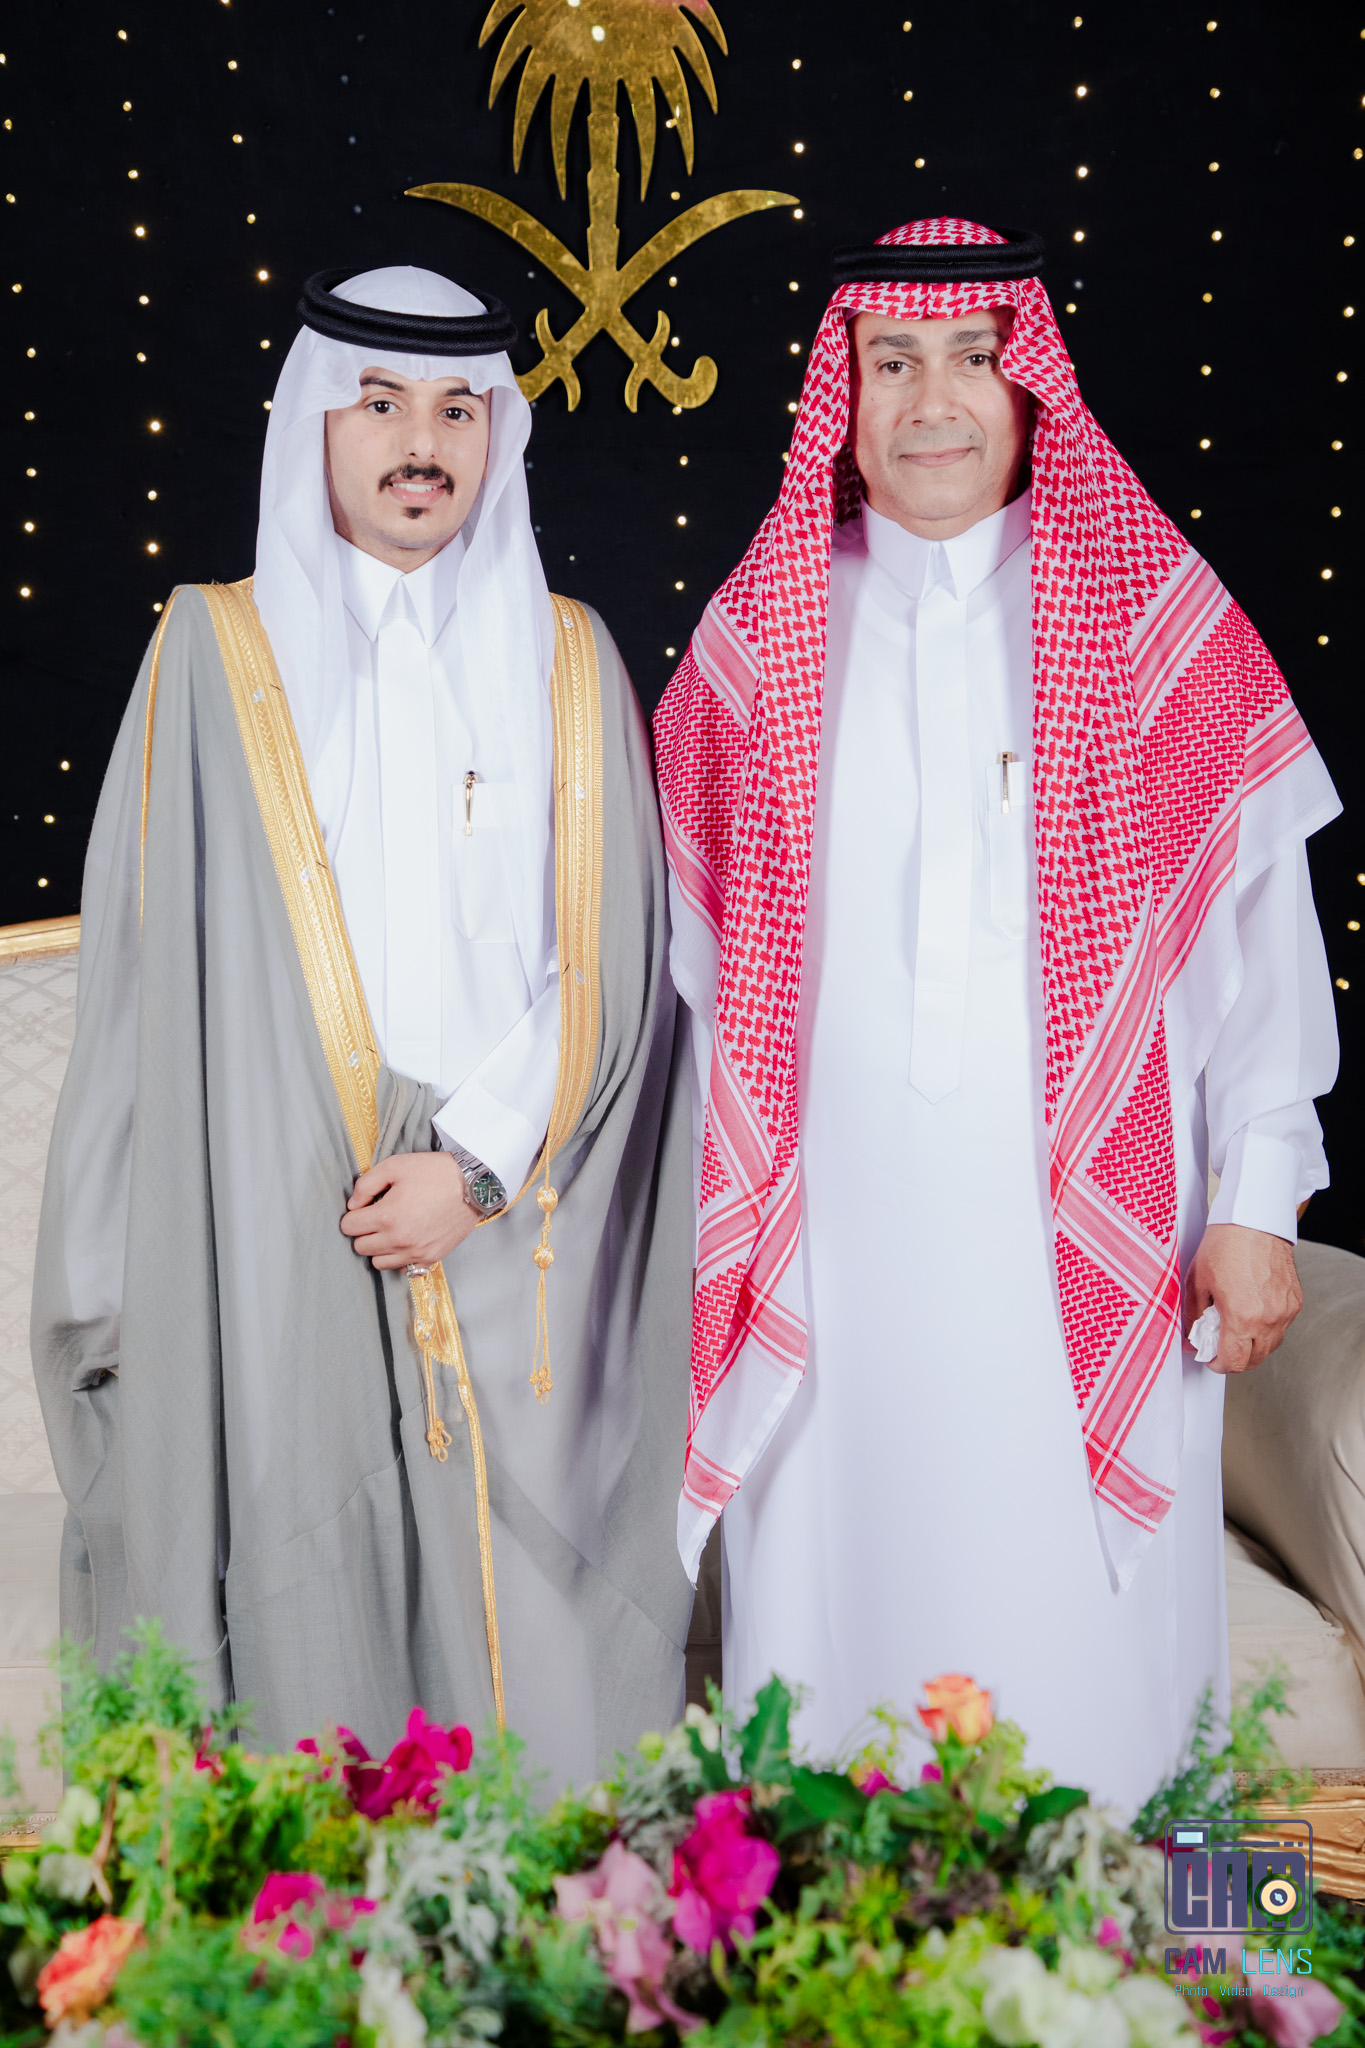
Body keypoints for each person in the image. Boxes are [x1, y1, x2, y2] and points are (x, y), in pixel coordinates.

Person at [653, 218, 1340, 1809]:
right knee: (835, 1676)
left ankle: (1152, 1940)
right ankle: (835, 1937)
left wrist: (1255, 1199)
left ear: (1031, 385)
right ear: (840, 394)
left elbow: (1261, 942)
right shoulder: (759, 637)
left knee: (1097, 1677)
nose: (931, 401)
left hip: (1096, 1255)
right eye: (889, 362)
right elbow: (680, 981)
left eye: (972, 358)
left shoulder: (1151, 619)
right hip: (827, 1264)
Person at [33, 265, 695, 1786]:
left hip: (516, 1213)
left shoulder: (569, 657)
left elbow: (613, 951)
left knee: (533, 1647)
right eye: (381, 404)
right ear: (314, 428)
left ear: (496, 434)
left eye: (459, 410)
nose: (420, 444)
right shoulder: (212, 651)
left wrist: (473, 1167)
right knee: (298, 1579)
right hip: (281, 1222)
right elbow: (151, 976)